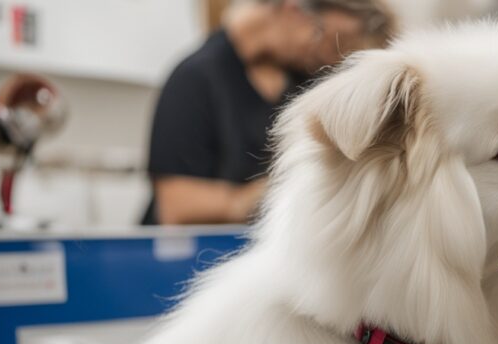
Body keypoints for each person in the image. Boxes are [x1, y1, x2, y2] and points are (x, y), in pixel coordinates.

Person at [143, 0, 393, 225]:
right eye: (323, 36)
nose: (328, 57)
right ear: (293, 9)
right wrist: (267, 195)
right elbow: (176, 208)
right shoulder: (195, 78)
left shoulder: (305, 80)